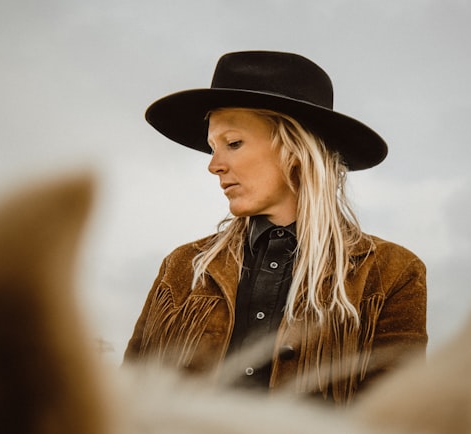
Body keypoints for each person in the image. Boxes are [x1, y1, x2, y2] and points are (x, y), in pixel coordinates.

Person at [123, 51, 427, 405]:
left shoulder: (392, 274)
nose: (214, 166)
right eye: (212, 148)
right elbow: (126, 402)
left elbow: (394, 419)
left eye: (233, 143)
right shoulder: (180, 268)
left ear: (296, 149)